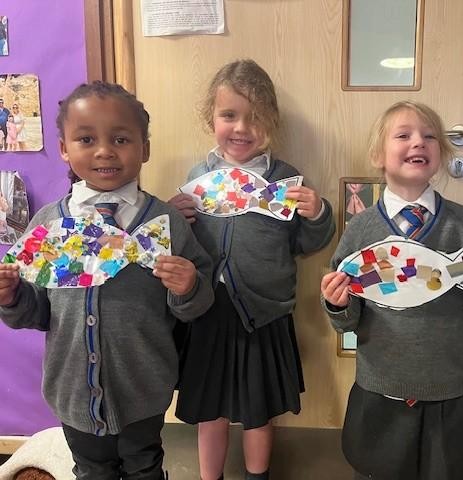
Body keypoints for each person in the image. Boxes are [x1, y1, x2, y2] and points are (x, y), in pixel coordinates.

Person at [0, 81, 215, 480]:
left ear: (144, 148)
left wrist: (189, 287)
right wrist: (12, 297)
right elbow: (37, 311)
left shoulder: (166, 222)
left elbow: (199, 302)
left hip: (144, 389)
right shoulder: (49, 224)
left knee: (145, 467)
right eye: (86, 139)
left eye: (120, 139)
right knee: (91, 471)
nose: (104, 151)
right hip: (72, 391)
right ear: (64, 148)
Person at [320, 100, 463, 480]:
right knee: (376, 468)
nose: (418, 142)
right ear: (378, 155)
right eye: (403, 135)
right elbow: (345, 320)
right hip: (378, 386)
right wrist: (336, 303)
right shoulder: (361, 229)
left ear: (441, 154)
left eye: (429, 136)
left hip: (443, 386)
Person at [170, 59, 336, 480]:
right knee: (210, 411)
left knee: (259, 412)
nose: (242, 128)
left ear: (272, 122)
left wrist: (317, 214)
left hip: (263, 313)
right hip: (208, 310)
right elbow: (182, 246)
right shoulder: (198, 177)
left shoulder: (285, 180)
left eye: (256, 117)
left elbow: (305, 243)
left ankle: (257, 476)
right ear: (211, 118)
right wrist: (173, 218)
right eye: (229, 115)